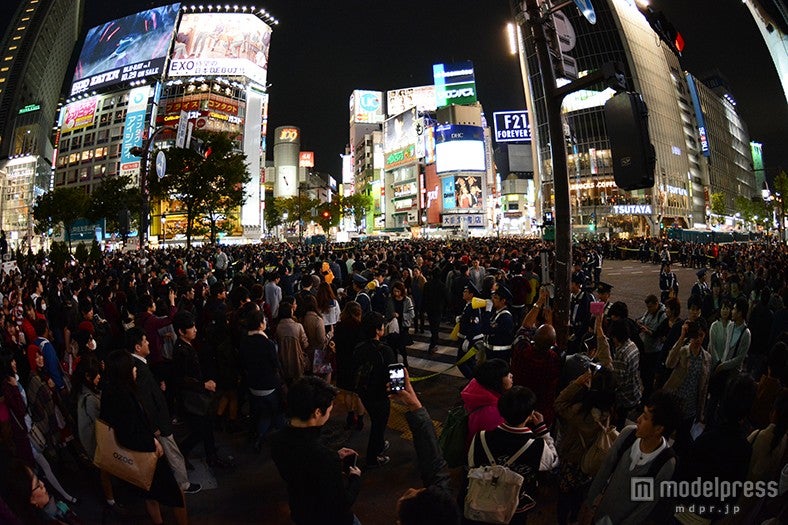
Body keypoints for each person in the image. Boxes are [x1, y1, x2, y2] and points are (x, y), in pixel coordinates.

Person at [100, 350, 186, 525]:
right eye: (131, 367)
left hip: (134, 459)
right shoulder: (124, 396)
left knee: (150, 495)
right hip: (146, 454)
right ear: (124, 371)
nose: (135, 369)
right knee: (176, 494)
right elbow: (129, 432)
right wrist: (153, 442)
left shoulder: (111, 392)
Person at [579, 391, 682, 525]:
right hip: (600, 513)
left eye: (645, 417)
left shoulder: (665, 462)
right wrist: (590, 501)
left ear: (658, 429)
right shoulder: (628, 434)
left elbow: (646, 506)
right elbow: (605, 469)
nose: (638, 419)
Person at [270, 376, 362, 525]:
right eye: (330, 410)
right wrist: (355, 478)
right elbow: (342, 503)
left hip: (301, 512)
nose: (330, 414)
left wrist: (333, 456)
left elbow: (302, 464)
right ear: (318, 412)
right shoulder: (325, 458)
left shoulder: (276, 440)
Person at [466, 386, 559, 523]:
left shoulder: (481, 437)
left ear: (501, 410)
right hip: (516, 507)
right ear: (530, 415)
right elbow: (553, 461)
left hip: (482, 503)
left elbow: (471, 464)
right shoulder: (538, 446)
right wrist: (543, 431)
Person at [127, 327, 199, 495]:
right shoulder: (139, 369)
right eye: (145, 341)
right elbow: (145, 401)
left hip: (157, 421)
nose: (149, 343)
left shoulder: (137, 365)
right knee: (172, 453)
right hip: (159, 422)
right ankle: (183, 484)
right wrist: (154, 425)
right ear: (137, 347)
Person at [554, 367, 617, 525]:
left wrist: (577, 383)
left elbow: (559, 403)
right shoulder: (609, 412)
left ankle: (563, 520)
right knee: (580, 495)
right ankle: (575, 517)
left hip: (571, 461)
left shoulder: (579, 413)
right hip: (592, 462)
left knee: (564, 496)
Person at [172, 311, 230, 469]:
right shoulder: (181, 351)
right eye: (191, 327)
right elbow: (181, 379)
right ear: (181, 331)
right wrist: (204, 385)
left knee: (205, 428)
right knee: (199, 430)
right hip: (192, 399)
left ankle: (211, 456)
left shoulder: (187, 346)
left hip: (197, 396)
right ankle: (184, 452)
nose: (195, 329)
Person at [662, 318, 711, 457]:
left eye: (701, 335)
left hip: (690, 409)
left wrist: (700, 411)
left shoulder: (707, 358)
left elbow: (704, 387)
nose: (698, 339)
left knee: (680, 443)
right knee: (664, 436)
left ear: (705, 335)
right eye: (695, 335)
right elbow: (669, 363)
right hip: (674, 403)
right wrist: (682, 336)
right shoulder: (683, 351)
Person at [353, 312, 396, 467]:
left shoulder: (359, 348)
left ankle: (379, 445)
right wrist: (396, 391)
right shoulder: (385, 351)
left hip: (364, 393)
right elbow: (395, 376)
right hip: (380, 395)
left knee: (376, 422)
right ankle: (373, 458)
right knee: (378, 425)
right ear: (378, 330)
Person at [238, 308, 285, 451]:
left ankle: (257, 438)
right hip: (269, 386)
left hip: (253, 385)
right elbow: (276, 365)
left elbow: (243, 364)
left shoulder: (244, 341)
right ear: (260, 324)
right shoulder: (268, 344)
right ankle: (282, 439)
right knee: (276, 412)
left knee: (261, 413)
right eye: (263, 320)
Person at [596, 315, 642, 428]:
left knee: (618, 424)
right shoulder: (632, 344)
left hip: (625, 397)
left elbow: (617, 382)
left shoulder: (621, 353)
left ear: (616, 337)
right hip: (634, 390)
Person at [3, 461, 82, 525]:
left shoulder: (59, 506)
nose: (42, 484)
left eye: (38, 480)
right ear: (31, 499)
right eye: (37, 485)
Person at [461, 358, 513, 448]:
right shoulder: (493, 413)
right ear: (496, 381)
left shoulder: (479, 393)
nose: (511, 375)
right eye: (506, 374)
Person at [334, 301, 366, 431]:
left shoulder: (340, 326)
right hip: (358, 364)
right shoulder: (361, 327)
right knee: (358, 394)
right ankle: (361, 420)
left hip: (343, 362)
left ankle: (350, 416)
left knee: (347, 392)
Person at [274, 299, 309, 385]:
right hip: (297, 360)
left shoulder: (277, 328)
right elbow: (305, 344)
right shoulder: (298, 326)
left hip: (282, 361)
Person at [484, 285, 515, 362]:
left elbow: (486, 329)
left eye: (495, 298)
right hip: (492, 354)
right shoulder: (496, 313)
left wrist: (487, 311)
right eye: (493, 297)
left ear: (503, 301)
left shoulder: (505, 317)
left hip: (500, 356)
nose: (492, 300)